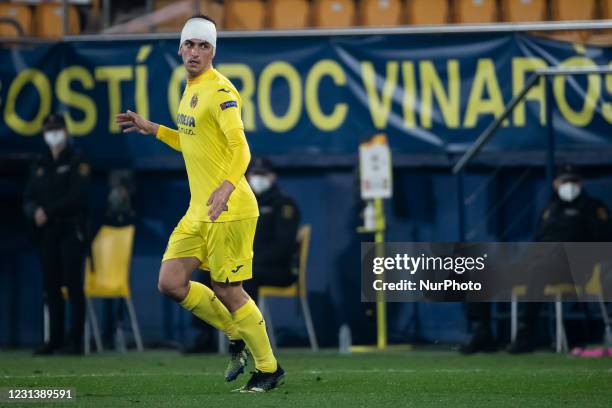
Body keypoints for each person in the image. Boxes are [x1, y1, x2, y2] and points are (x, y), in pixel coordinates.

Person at [115, 15, 284, 392]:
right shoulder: (190, 88)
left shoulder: (221, 92)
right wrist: (153, 128)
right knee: (171, 282)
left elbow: (241, 148)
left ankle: (269, 369)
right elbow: (191, 142)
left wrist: (226, 188)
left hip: (230, 209)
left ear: (213, 52)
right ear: (180, 48)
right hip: (199, 210)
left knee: (228, 290)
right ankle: (235, 333)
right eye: (190, 44)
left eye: (203, 46)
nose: (195, 51)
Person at [508, 165, 612, 353]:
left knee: (539, 268)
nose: (569, 185)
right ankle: (482, 332)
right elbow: (537, 241)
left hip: (575, 268)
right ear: (556, 183)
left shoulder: (594, 207)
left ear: (581, 183)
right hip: (542, 264)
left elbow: (603, 244)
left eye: (573, 181)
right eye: (565, 181)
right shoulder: (550, 209)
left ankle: (526, 332)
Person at [23, 113, 89, 355]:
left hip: (71, 229)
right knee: (50, 287)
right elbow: (28, 197)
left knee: (73, 285)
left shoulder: (77, 160)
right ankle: (55, 340)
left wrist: (47, 211)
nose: (53, 134)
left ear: (66, 131)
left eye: (57, 129)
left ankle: (76, 341)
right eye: (48, 130)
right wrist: (34, 212)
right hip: (47, 233)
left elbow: (78, 197)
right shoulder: (40, 163)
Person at [243, 157, 300, 304]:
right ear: (248, 176)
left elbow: (284, 246)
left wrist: (253, 259)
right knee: (209, 272)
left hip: (279, 268)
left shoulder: (284, 204)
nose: (259, 179)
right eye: (256, 174)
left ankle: (249, 325)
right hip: (250, 263)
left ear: (272, 176)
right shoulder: (243, 203)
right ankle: (206, 327)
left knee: (247, 275)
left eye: (263, 174)